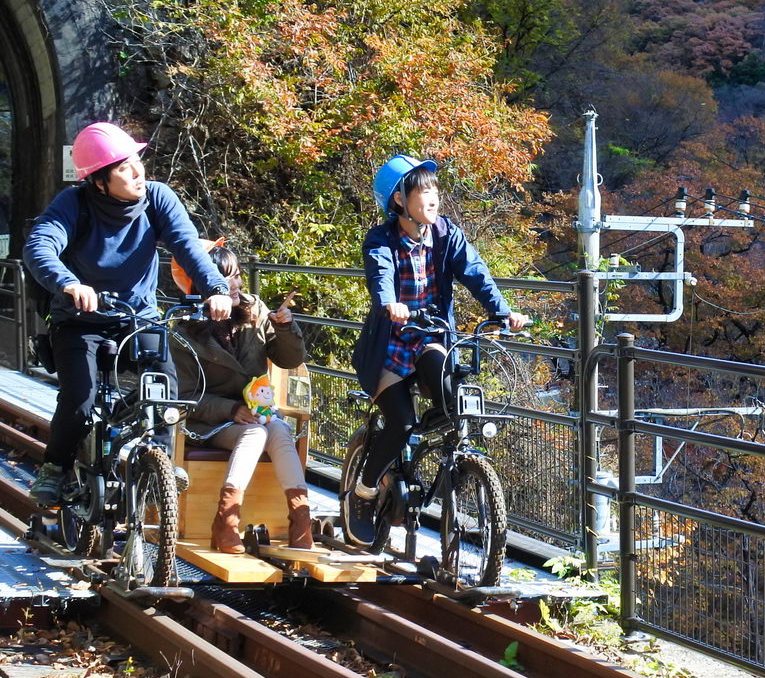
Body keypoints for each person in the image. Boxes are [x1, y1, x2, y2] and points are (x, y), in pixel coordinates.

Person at [22, 122, 230, 506]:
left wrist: (215, 289)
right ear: (99, 181)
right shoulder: (74, 203)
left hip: (138, 318)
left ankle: (160, 459)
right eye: (123, 167)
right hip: (80, 321)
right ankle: (55, 468)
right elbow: (40, 245)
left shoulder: (157, 198)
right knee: (80, 399)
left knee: (164, 386)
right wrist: (69, 284)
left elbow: (187, 246)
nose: (137, 172)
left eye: (137, 161)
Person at [350, 155, 529, 505]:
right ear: (399, 200)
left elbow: (476, 273)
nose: (433, 199)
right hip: (390, 345)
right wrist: (390, 303)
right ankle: (364, 490)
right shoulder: (381, 239)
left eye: (435, 190)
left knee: (451, 396)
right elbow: (380, 274)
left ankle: (443, 469)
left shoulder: (447, 234)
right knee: (401, 423)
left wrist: (504, 312)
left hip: (430, 336)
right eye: (423, 192)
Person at [170, 242, 311, 552]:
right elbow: (185, 398)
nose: (235, 284)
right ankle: (226, 521)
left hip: (257, 414)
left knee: (279, 429)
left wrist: (285, 328)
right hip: (210, 422)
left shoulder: (255, 309)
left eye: (236, 275)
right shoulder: (183, 333)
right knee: (255, 432)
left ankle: (301, 519)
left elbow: (289, 359)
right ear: (202, 282)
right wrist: (232, 409)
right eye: (226, 278)